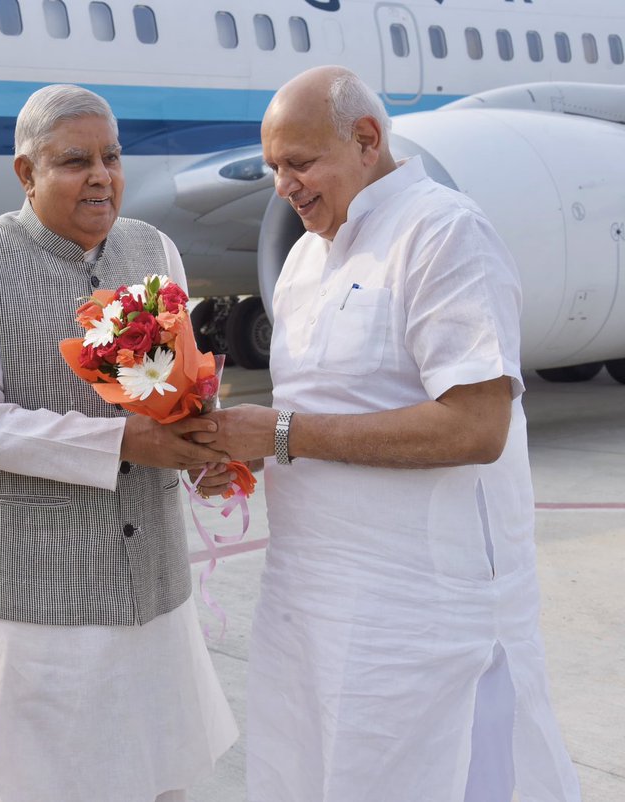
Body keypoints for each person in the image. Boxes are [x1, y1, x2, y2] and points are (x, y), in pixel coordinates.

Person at [193, 66, 581, 801]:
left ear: (367, 139)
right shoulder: (307, 256)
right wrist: (242, 457)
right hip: (313, 603)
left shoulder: (444, 234)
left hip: (423, 616)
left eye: (300, 163)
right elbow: (319, 411)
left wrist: (277, 435)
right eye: (273, 167)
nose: (284, 186)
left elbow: (475, 426)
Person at [0, 84, 238, 802]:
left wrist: (204, 457)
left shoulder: (152, 248)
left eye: (112, 156)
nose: (101, 175)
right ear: (25, 173)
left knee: (164, 783)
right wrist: (122, 444)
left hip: (152, 592)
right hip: (42, 601)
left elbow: (182, 392)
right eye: (75, 161)